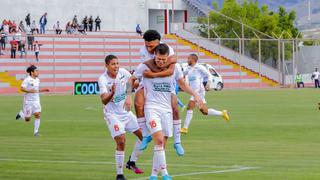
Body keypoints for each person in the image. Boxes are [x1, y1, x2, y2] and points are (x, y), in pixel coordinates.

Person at [129, 44, 202, 180]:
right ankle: (165, 173)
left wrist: (195, 94)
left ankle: (153, 175)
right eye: (158, 59)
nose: (160, 62)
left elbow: (182, 85)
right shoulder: (145, 66)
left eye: (163, 59)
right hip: (151, 108)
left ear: (168, 58)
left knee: (161, 144)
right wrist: (128, 95)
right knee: (159, 140)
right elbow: (131, 79)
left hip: (166, 109)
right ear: (154, 55)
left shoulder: (175, 68)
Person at [133, 30, 185, 157]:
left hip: (165, 83)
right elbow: (143, 69)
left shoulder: (167, 49)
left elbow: (170, 70)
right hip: (150, 82)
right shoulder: (143, 51)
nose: (149, 49)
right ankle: (146, 135)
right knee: (138, 103)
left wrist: (154, 72)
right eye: (147, 45)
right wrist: (129, 93)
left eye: (152, 46)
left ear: (159, 42)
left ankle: (177, 141)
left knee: (175, 108)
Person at [98, 55, 144, 180]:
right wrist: (112, 92)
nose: (116, 66)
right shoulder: (102, 79)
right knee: (121, 141)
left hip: (126, 113)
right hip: (112, 115)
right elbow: (104, 100)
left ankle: (131, 162)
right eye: (113, 64)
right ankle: (119, 174)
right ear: (107, 65)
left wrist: (134, 88)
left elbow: (131, 83)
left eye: (117, 63)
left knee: (144, 137)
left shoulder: (123, 72)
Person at [180, 54, 230, 134]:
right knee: (204, 111)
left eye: (188, 58)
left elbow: (208, 75)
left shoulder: (199, 67)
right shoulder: (188, 68)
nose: (187, 60)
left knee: (190, 107)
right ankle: (222, 113)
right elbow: (182, 74)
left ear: (193, 60)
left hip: (199, 91)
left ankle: (185, 128)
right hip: (194, 91)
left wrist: (208, 83)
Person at [15, 65, 49, 136]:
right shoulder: (27, 80)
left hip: (36, 100)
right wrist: (29, 91)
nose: (38, 72)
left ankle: (36, 132)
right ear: (32, 72)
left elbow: (36, 90)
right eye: (36, 71)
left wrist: (44, 90)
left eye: (37, 71)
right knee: (27, 119)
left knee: (37, 115)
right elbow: (22, 88)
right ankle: (21, 114)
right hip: (28, 101)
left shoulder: (37, 80)